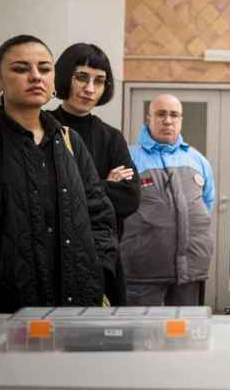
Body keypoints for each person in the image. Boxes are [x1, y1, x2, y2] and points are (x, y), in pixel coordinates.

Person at [0, 34, 117, 309]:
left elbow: (100, 215)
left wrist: (99, 269)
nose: (35, 76)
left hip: (75, 301)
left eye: (44, 69)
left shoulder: (70, 141)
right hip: (7, 308)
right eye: (21, 69)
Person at [50, 43, 140, 305]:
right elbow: (42, 195)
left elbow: (129, 198)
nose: (90, 89)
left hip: (101, 257)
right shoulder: (44, 126)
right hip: (51, 256)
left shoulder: (111, 137)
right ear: (64, 76)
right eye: (81, 77)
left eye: (99, 81)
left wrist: (74, 190)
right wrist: (103, 185)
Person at [123, 94, 214, 306]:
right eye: (161, 114)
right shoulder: (129, 157)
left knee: (185, 333)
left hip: (191, 270)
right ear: (149, 118)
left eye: (174, 115)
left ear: (181, 120)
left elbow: (207, 205)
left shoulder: (198, 160)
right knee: (143, 335)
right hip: (143, 271)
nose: (168, 120)